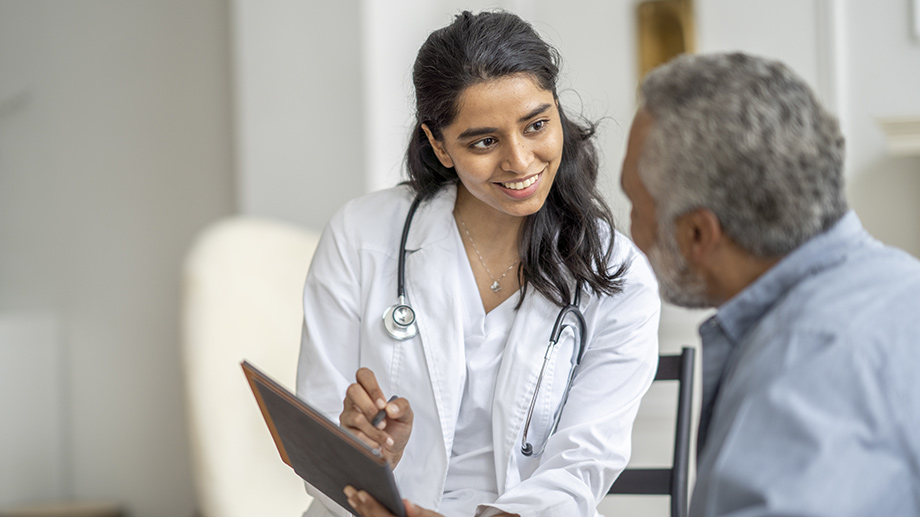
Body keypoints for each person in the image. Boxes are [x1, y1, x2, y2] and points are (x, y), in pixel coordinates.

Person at [297, 10, 661, 517]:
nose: (519, 161)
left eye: (537, 124)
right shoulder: (361, 236)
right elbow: (318, 442)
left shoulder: (620, 276)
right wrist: (372, 457)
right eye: (484, 141)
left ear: (557, 111)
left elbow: (580, 468)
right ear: (438, 145)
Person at [620, 51, 920, 516]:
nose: (630, 234)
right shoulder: (902, 284)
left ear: (697, 234)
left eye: (636, 207)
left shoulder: (800, 372)